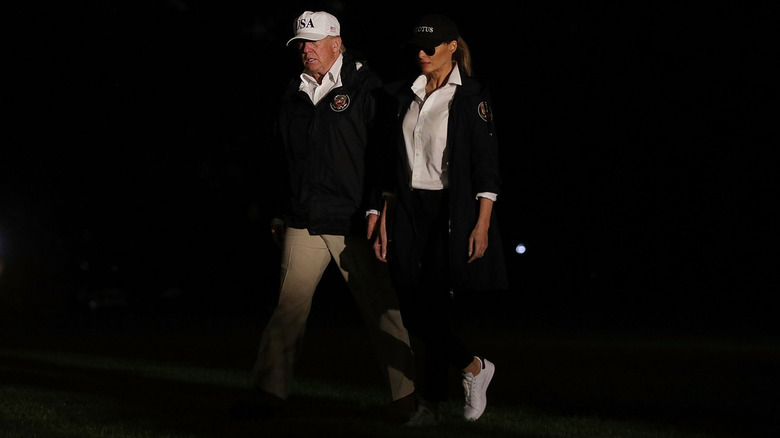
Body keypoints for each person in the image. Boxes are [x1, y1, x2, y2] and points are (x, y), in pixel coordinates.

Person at [235, 10, 416, 419]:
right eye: (301, 42)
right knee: (288, 310)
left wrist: (376, 206)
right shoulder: (293, 90)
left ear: (337, 41)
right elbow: (283, 158)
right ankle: (267, 396)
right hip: (302, 219)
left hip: (354, 220)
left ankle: (407, 401)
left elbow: (383, 155)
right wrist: (280, 213)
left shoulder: (366, 86)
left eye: (314, 41)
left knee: (382, 312)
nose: (306, 49)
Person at [373, 14, 508, 426]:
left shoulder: (471, 96)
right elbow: (390, 163)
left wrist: (482, 223)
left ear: (452, 47)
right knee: (412, 308)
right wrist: (381, 213)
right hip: (409, 209)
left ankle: (430, 406)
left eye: (429, 47)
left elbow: (487, 167)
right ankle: (473, 367)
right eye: (416, 47)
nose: (421, 54)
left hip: (449, 211)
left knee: (430, 309)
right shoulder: (402, 95)